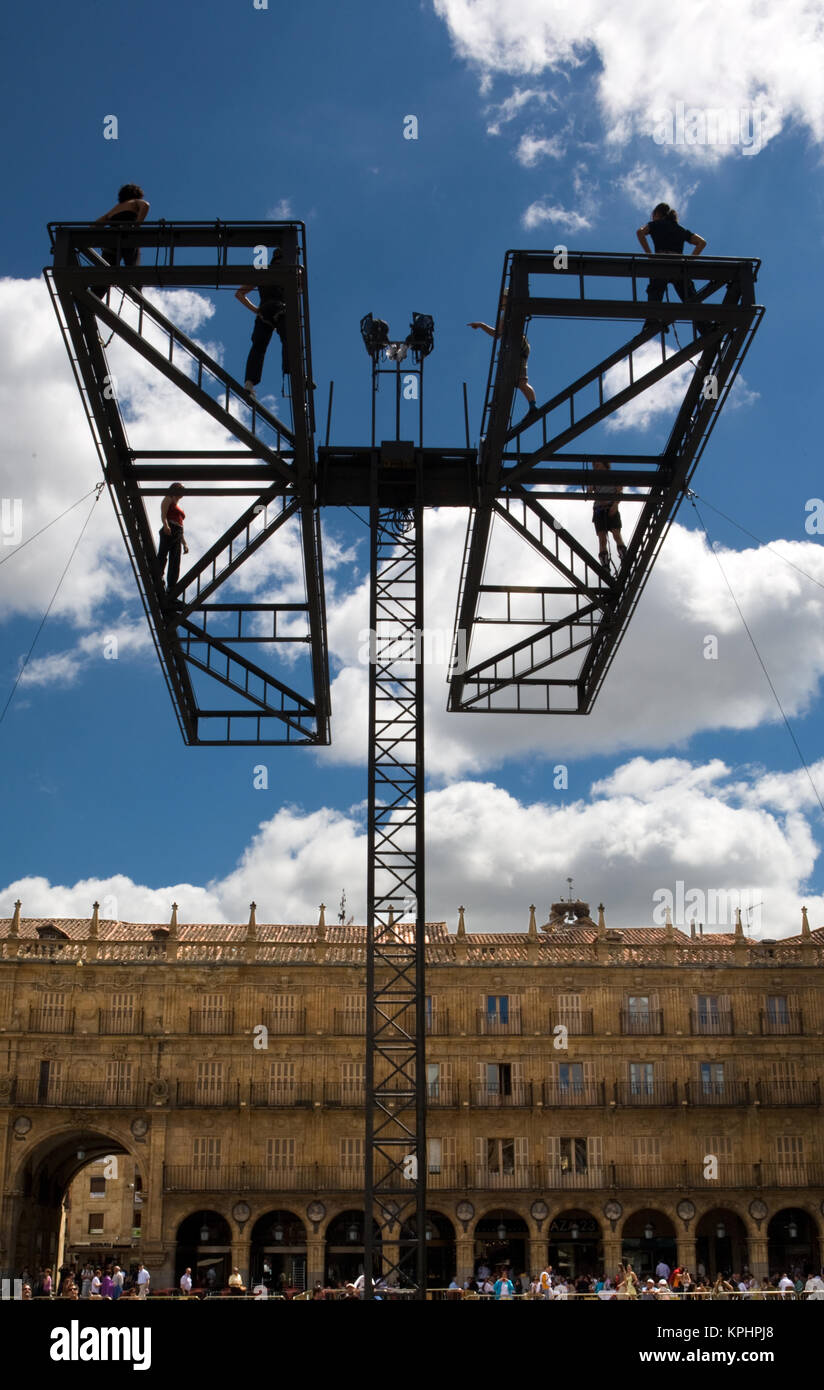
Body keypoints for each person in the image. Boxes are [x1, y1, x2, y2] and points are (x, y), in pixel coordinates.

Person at [636, 203, 707, 334]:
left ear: (658, 214)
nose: (652, 217)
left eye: (653, 215)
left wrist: (650, 255)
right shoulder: (679, 228)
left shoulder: (655, 225)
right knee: (690, 298)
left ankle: (652, 320)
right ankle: (705, 327)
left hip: (661, 262)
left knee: (655, 292)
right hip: (678, 265)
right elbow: (702, 243)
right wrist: (688, 261)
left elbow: (640, 232)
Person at [469, 288, 537, 417]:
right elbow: (498, 334)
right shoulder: (507, 313)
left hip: (516, 347)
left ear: (507, 298)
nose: (500, 301)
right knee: (519, 381)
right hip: (518, 347)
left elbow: (497, 334)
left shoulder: (510, 311)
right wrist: (481, 325)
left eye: (502, 298)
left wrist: (481, 325)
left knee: (509, 377)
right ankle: (531, 405)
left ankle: (498, 400)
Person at [92, 184, 150, 300]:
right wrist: (137, 225)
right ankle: (136, 293)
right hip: (128, 235)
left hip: (111, 240)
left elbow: (95, 225)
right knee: (132, 265)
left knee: (106, 271)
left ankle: (93, 297)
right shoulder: (135, 202)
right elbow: (145, 205)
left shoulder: (115, 208)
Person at [236, 276, 288, 399]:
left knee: (258, 348)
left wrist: (257, 310)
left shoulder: (264, 273)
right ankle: (295, 373)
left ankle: (249, 384)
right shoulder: (287, 274)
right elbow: (299, 289)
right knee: (288, 340)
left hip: (264, 313)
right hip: (280, 309)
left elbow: (239, 294)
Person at [588, 460, 627, 570]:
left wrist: (615, 505)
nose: (595, 466)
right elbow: (589, 491)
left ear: (604, 464)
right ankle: (605, 564)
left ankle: (624, 557)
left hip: (610, 507)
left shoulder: (614, 476)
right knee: (602, 539)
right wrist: (591, 484)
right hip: (599, 510)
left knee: (616, 534)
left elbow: (619, 491)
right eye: (594, 465)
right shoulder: (594, 479)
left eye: (597, 463)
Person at [155, 482, 189, 600]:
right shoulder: (168, 499)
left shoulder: (179, 506)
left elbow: (181, 526)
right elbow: (163, 514)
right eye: (181, 490)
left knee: (175, 560)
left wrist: (184, 543)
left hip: (178, 532)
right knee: (163, 553)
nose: (182, 493)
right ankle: (158, 574)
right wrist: (166, 526)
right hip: (170, 527)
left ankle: (171, 586)